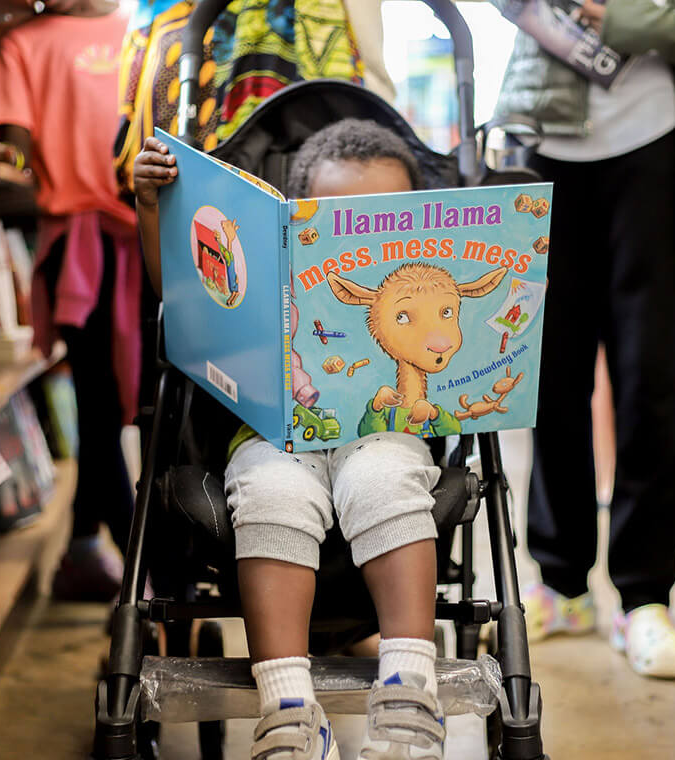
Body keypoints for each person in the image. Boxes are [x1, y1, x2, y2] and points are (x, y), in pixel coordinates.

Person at [133, 119, 448, 760]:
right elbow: (182, 297)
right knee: (272, 491)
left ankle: (409, 689)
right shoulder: (264, 265)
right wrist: (150, 207)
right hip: (273, 430)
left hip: (388, 426)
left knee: (384, 478)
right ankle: (288, 706)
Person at [493, 0, 675, 678]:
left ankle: (645, 598)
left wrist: (615, 15)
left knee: (651, 380)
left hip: (660, 146)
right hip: (543, 146)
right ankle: (562, 584)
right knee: (551, 379)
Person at [0, 0, 143, 601]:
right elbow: (16, 149)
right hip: (81, 247)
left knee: (138, 410)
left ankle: (82, 548)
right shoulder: (24, 42)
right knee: (100, 410)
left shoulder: (147, 27)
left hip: (150, 241)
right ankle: (141, 573)